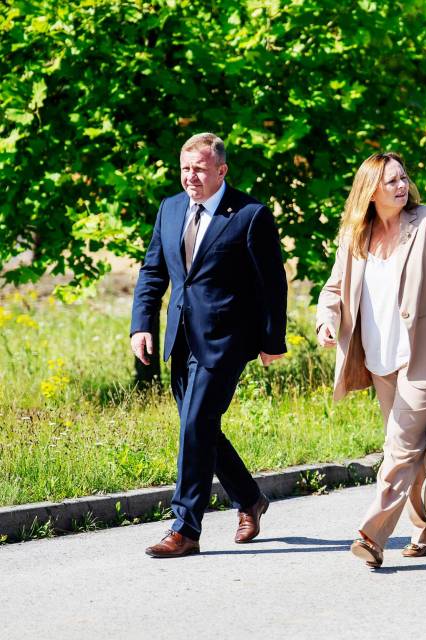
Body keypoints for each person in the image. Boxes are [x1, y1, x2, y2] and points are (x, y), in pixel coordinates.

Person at [130, 132, 287, 558]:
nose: (190, 177)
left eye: (199, 169)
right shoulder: (170, 208)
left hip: (226, 340)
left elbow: (272, 284)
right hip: (180, 336)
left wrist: (272, 340)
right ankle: (250, 498)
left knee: (196, 424)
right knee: (198, 427)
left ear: (221, 170)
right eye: (185, 169)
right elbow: (152, 272)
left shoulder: (250, 214)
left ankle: (185, 528)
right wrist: (141, 325)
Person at [315, 152, 426, 568]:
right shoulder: (355, 235)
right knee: (412, 451)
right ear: (371, 191)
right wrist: (326, 322)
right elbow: (333, 288)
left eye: (404, 178)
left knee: (399, 446)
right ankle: (425, 532)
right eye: (392, 181)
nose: (402, 186)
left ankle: (372, 534)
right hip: (380, 360)